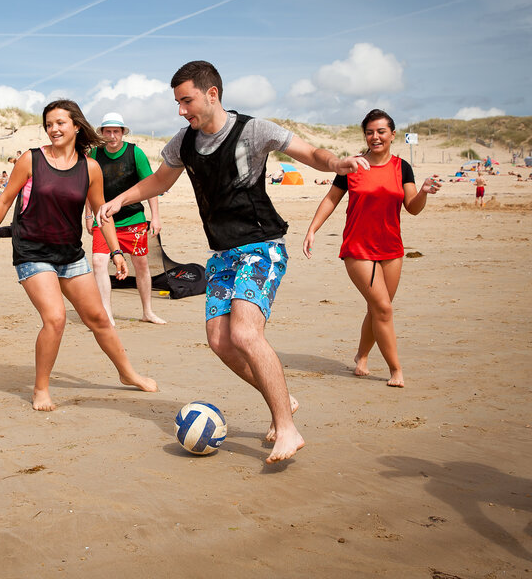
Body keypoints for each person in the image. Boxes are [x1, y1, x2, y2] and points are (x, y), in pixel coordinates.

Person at [99, 61, 366, 463]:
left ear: (212, 94)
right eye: (177, 102)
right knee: (220, 341)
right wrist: (122, 199)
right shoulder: (183, 143)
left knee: (244, 332)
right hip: (222, 254)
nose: (180, 110)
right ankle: (282, 399)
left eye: (186, 100)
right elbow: (160, 181)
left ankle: (287, 430)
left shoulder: (253, 130)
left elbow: (310, 152)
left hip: (261, 246)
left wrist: (336, 164)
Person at [0, 100, 158, 411]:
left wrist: (115, 251)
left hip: (70, 253)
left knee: (98, 317)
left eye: (60, 122)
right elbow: (5, 200)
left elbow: (103, 213)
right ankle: (41, 388)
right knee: (56, 318)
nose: (53, 129)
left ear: (76, 126)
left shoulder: (90, 168)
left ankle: (128, 373)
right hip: (32, 250)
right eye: (49, 124)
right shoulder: (31, 160)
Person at [303, 109, 440, 388]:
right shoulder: (352, 165)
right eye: (369, 132)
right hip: (357, 248)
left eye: (380, 131)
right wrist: (312, 229)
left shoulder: (403, 168)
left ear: (392, 134)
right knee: (384, 309)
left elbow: (412, 208)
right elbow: (331, 199)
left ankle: (362, 356)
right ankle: (396, 370)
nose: (375, 137)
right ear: (365, 134)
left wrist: (423, 191)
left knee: (377, 308)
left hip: (392, 248)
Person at [85, 112, 165, 325]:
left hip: (133, 219)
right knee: (99, 261)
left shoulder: (135, 153)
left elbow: (151, 186)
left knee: (141, 264)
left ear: (122, 133)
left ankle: (147, 311)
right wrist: (87, 215)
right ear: (102, 133)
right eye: (108, 131)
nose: (112, 136)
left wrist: (155, 217)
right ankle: (106, 314)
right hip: (102, 218)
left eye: (116, 132)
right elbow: (88, 187)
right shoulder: (94, 154)